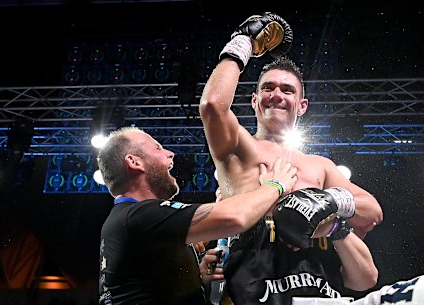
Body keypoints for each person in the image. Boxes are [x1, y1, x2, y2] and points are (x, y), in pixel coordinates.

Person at [199, 12, 383, 305]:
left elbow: (372, 212)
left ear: (301, 105)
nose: (277, 95)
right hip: (255, 286)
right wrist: (241, 43)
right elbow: (212, 106)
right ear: (254, 100)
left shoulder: (320, 165)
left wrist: (330, 202)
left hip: (321, 290)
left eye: (288, 90)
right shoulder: (240, 147)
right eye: (267, 88)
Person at [97, 126, 298, 305]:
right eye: (158, 148)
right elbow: (235, 217)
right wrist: (276, 185)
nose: (170, 153)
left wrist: (198, 278)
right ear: (134, 162)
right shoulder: (139, 215)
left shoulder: (131, 219)